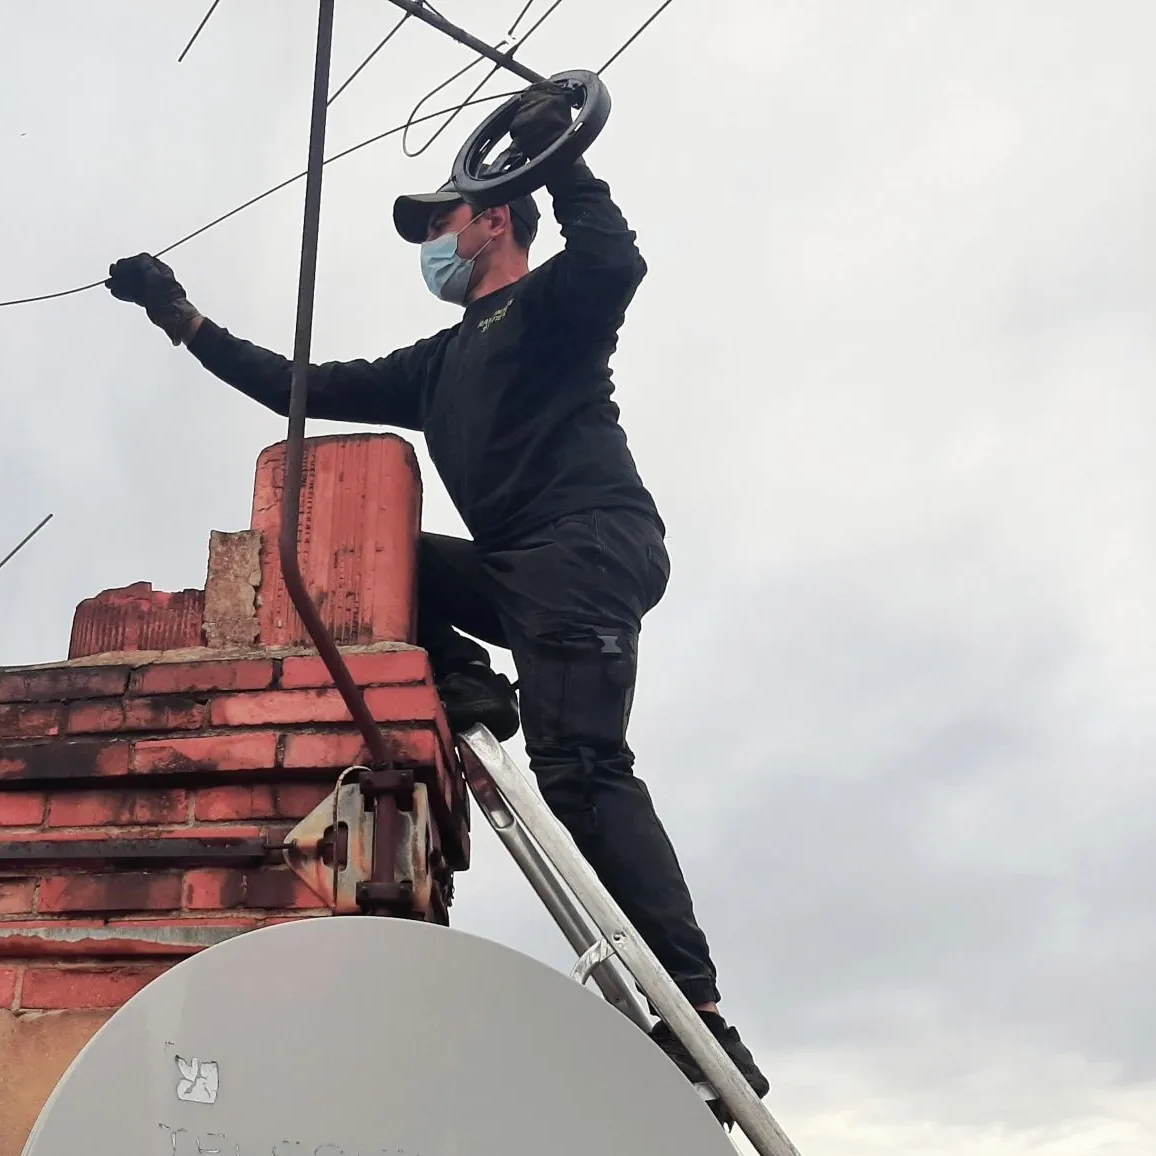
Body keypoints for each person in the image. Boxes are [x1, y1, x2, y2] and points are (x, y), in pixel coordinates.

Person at [104, 83, 767, 1096]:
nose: (430, 243)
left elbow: (615, 262)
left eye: (440, 222)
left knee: (581, 768)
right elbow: (302, 385)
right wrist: (177, 314)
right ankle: (476, 688)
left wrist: (562, 159)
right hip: (515, 570)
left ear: (495, 215)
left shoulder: (552, 309)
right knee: (374, 558)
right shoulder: (438, 362)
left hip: (589, 545)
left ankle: (701, 1012)